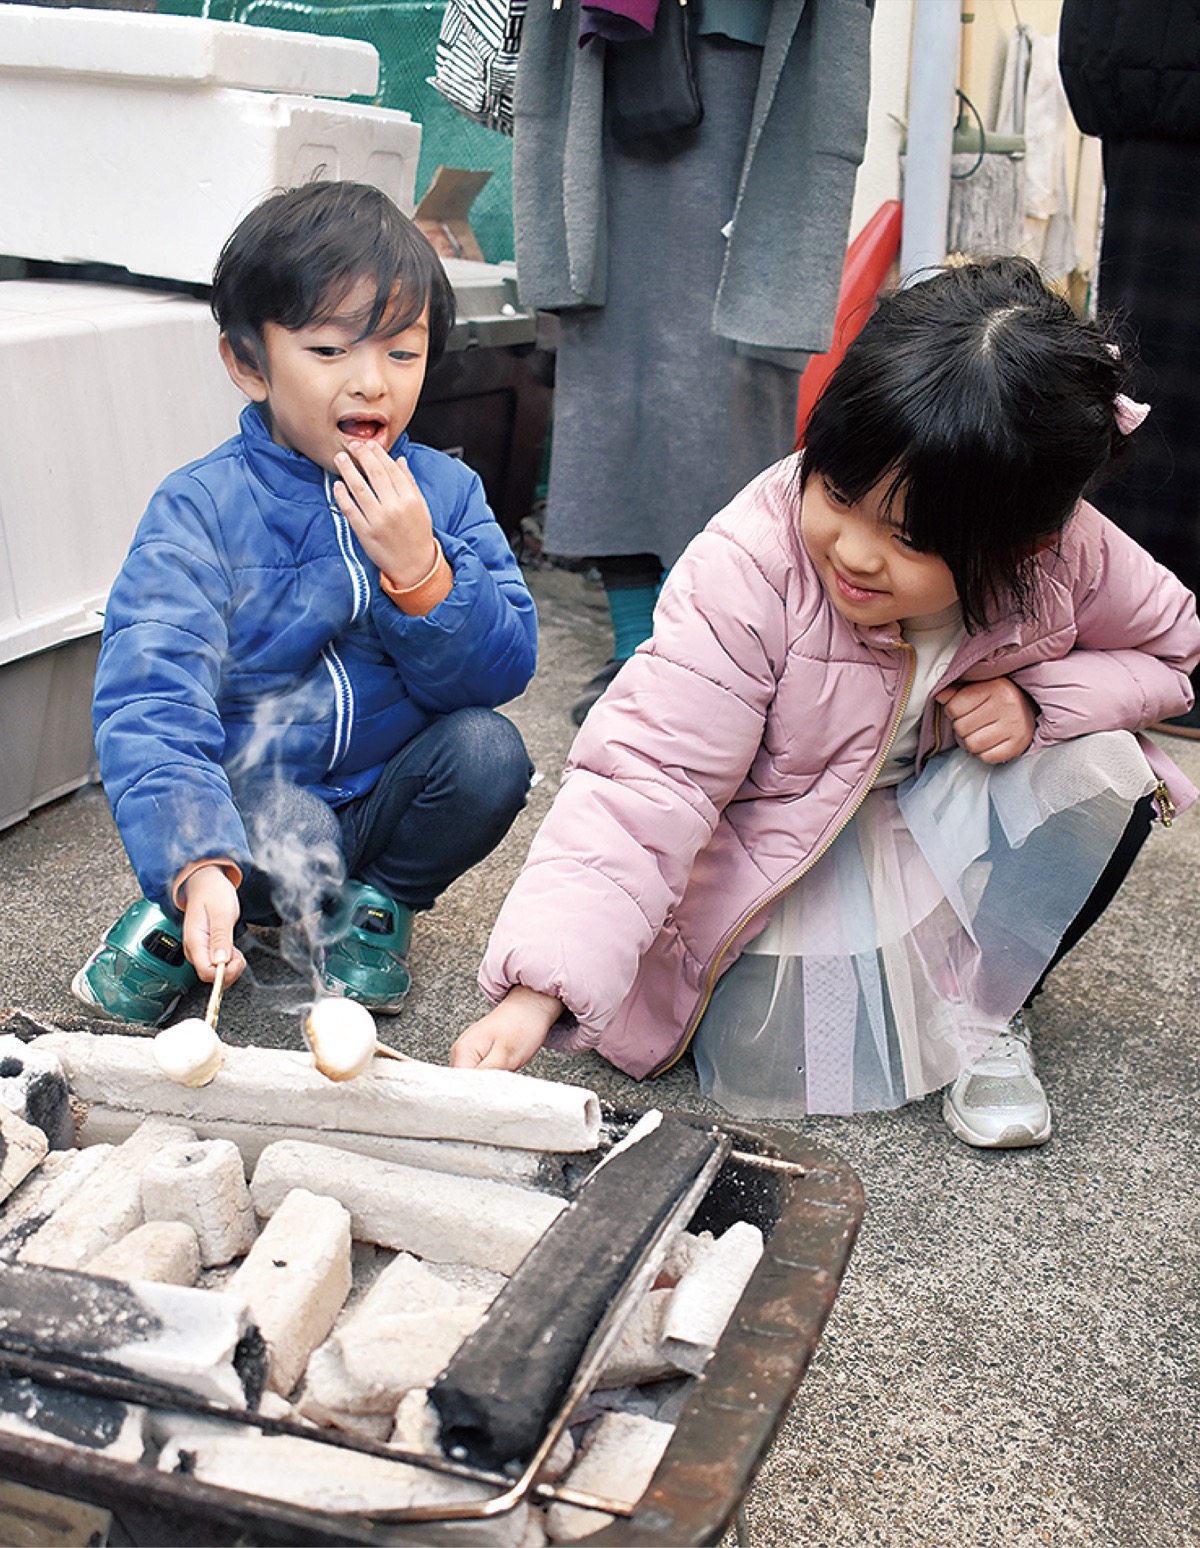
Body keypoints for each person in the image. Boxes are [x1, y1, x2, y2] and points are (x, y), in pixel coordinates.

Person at [452, 257, 1200, 1149]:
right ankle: (904, 990)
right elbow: (652, 774)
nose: (854, 551)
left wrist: (1040, 701)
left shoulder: (1066, 554)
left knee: (1111, 771)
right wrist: (544, 983)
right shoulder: (752, 564)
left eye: (912, 537)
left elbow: (1174, 648)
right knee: (772, 1041)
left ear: (1028, 539)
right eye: (838, 492)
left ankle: (991, 1009)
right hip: (783, 859)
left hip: (939, 822)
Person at [73, 180, 537, 1028]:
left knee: (490, 755)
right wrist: (195, 856)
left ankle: (377, 906)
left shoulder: (447, 491)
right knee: (291, 826)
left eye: (402, 352)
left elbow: (502, 671)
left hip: (382, 798)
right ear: (249, 363)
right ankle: (189, 912)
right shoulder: (201, 509)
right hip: (255, 807)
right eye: (330, 352)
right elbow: (150, 698)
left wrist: (421, 571)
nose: (372, 384)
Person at [510, 0, 873, 722]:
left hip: (751, 43)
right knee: (607, 346)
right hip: (606, 44)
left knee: (735, 354)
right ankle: (636, 646)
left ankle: (702, 648)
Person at [1059, 0, 1200, 737]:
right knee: (1156, 387)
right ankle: (1137, 647)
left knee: (1156, 377)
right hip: (1164, 62)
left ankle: (1137, 645)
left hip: (1156, 57)